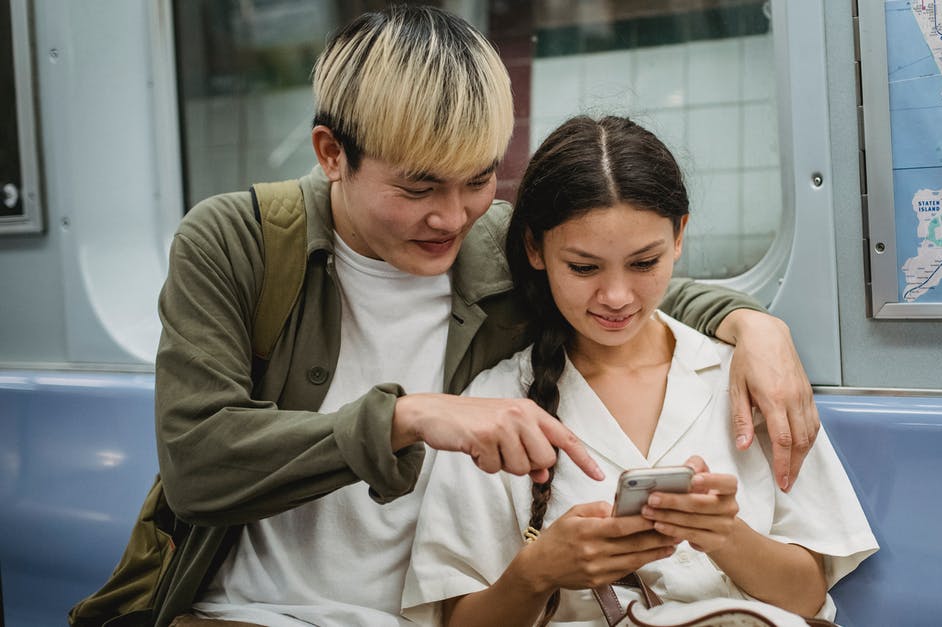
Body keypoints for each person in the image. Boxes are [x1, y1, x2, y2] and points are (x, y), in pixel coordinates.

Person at [145, 7, 822, 627]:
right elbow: (197, 465)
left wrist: (751, 323)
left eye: (477, 179)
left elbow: (620, 282)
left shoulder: (495, 246)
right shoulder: (237, 242)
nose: (451, 216)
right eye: (418, 187)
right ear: (331, 154)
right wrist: (408, 417)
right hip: (244, 612)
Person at [402, 116, 878, 627]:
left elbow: (807, 597)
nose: (617, 297)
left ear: (679, 237)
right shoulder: (495, 406)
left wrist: (725, 535)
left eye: (644, 262)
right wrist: (538, 572)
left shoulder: (745, 377)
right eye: (584, 268)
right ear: (535, 250)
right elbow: (458, 621)